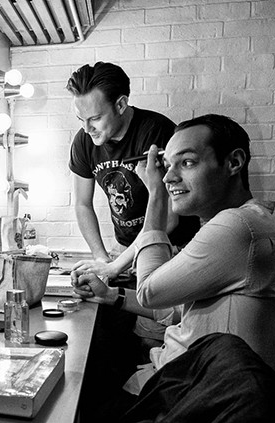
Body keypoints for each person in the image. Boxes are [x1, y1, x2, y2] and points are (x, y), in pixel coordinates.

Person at [70, 114, 275, 423]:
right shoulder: (229, 224)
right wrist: (112, 296)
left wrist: (154, 197)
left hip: (195, 420)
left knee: (68, 416)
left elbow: (151, 289)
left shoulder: (238, 226)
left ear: (233, 162)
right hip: (182, 394)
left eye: (186, 163)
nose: (170, 175)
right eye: (167, 165)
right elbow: (173, 307)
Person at [66, 62, 199, 282]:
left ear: (120, 105)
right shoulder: (84, 141)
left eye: (95, 119)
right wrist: (101, 259)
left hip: (171, 246)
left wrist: (116, 266)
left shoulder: (157, 132)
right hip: (125, 247)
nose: (87, 129)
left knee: (157, 312)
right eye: (81, 119)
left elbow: (167, 218)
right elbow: (82, 204)